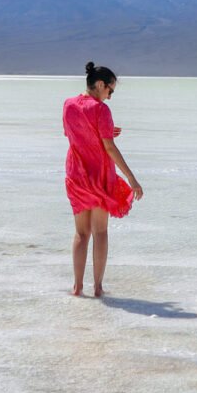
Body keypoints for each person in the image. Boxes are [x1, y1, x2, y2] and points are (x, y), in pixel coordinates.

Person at [63, 62, 144, 297]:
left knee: (81, 233)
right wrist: (132, 179)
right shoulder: (101, 110)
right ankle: (97, 288)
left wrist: (106, 130)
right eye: (110, 91)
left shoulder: (68, 104)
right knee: (100, 232)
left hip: (76, 174)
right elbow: (108, 147)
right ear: (100, 85)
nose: (110, 96)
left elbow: (74, 134)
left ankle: (77, 287)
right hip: (98, 174)